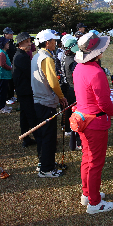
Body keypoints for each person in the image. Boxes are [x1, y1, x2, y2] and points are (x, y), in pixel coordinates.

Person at [73, 32, 113, 214]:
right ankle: (94, 202)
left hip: (82, 119)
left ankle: (88, 193)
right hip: (95, 122)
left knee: (87, 158)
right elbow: (104, 103)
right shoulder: (97, 72)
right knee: (95, 163)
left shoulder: (79, 68)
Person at [31, 29, 67, 178]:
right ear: (47, 42)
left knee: (43, 134)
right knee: (49, 136)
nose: (56, 43)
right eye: (54, 41)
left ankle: (44, 162)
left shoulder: (36, 56)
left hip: (39, 99)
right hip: (46, 101)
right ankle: (46, 169)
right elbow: (53, 81)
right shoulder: (46, 58)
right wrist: (61, 97)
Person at [12, 32, 37, 148]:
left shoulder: (22, 55)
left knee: (24, 115)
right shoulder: (21, 56)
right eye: (27, 42)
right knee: (31, 115)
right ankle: (39, 137)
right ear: (20, 43)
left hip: (23, 90)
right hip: (25, 90)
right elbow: (30, 74)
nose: (29, 44)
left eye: (29, 41)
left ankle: (25, 137)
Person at [0, 37, 13, 114]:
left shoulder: (4, 52)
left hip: (5, 76)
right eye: (7, 43)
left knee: (4, 92)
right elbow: (2, 64)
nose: (8, 44)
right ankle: (1, 108)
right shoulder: (1, 53)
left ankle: (3, 106)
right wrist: (11, 67)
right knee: (2, 92)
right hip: (2, 76)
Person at [3, 27, 17, 105]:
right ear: (6, 34)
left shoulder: (11, 42)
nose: (12, 35)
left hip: (12, 63)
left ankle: (11, 96)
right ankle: (7, 97)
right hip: (8, 63)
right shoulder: (4, 42)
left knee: (12, 81)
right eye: (10, 34)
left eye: (12, 33)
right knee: (8, 82)